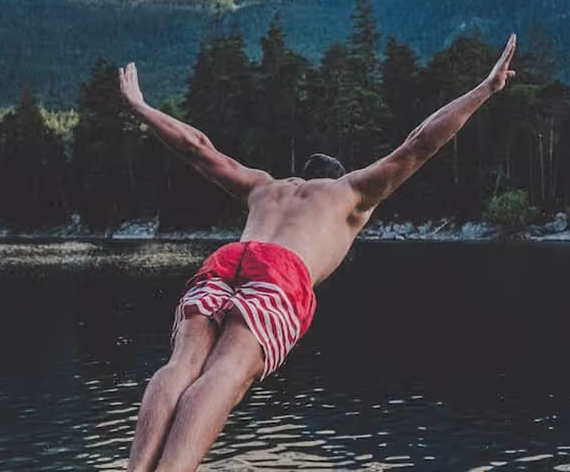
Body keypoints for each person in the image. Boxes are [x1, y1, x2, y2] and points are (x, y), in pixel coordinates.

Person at [120, 34, 518, 472]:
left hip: (228, 258)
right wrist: (485, 89)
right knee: (226, 375)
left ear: (300, 176)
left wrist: (141, 106)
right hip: (280, 274)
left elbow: (196, 147)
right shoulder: (350, 193)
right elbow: (420, 143)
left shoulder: (264, 187)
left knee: (183, 363)